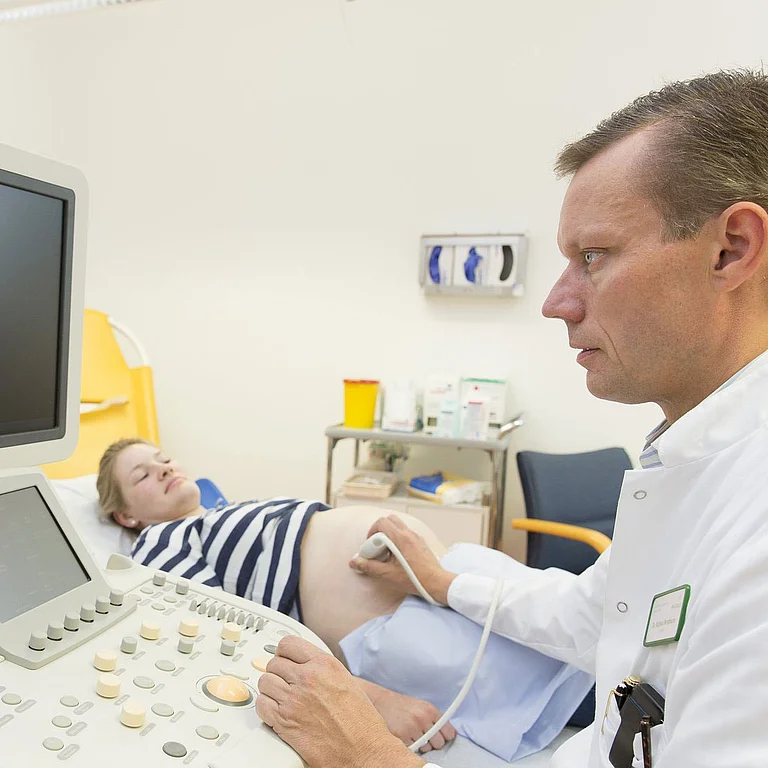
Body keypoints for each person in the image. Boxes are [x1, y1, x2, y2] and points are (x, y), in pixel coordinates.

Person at [256, 69, 768, 768]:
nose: (557, 302)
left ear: (732, 248)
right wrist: (442, 583)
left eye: (594, 256)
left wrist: (367, 755)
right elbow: (592, 615)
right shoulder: (697, 461)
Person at [96, 437, 458, 753]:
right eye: (141, 474)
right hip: (395, 623)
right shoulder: (161, 540)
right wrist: (369, 700)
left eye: (162, 459)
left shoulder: (224, 513)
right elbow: (219, 634)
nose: (162, 469)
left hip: (444, 587)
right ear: (126, 516)